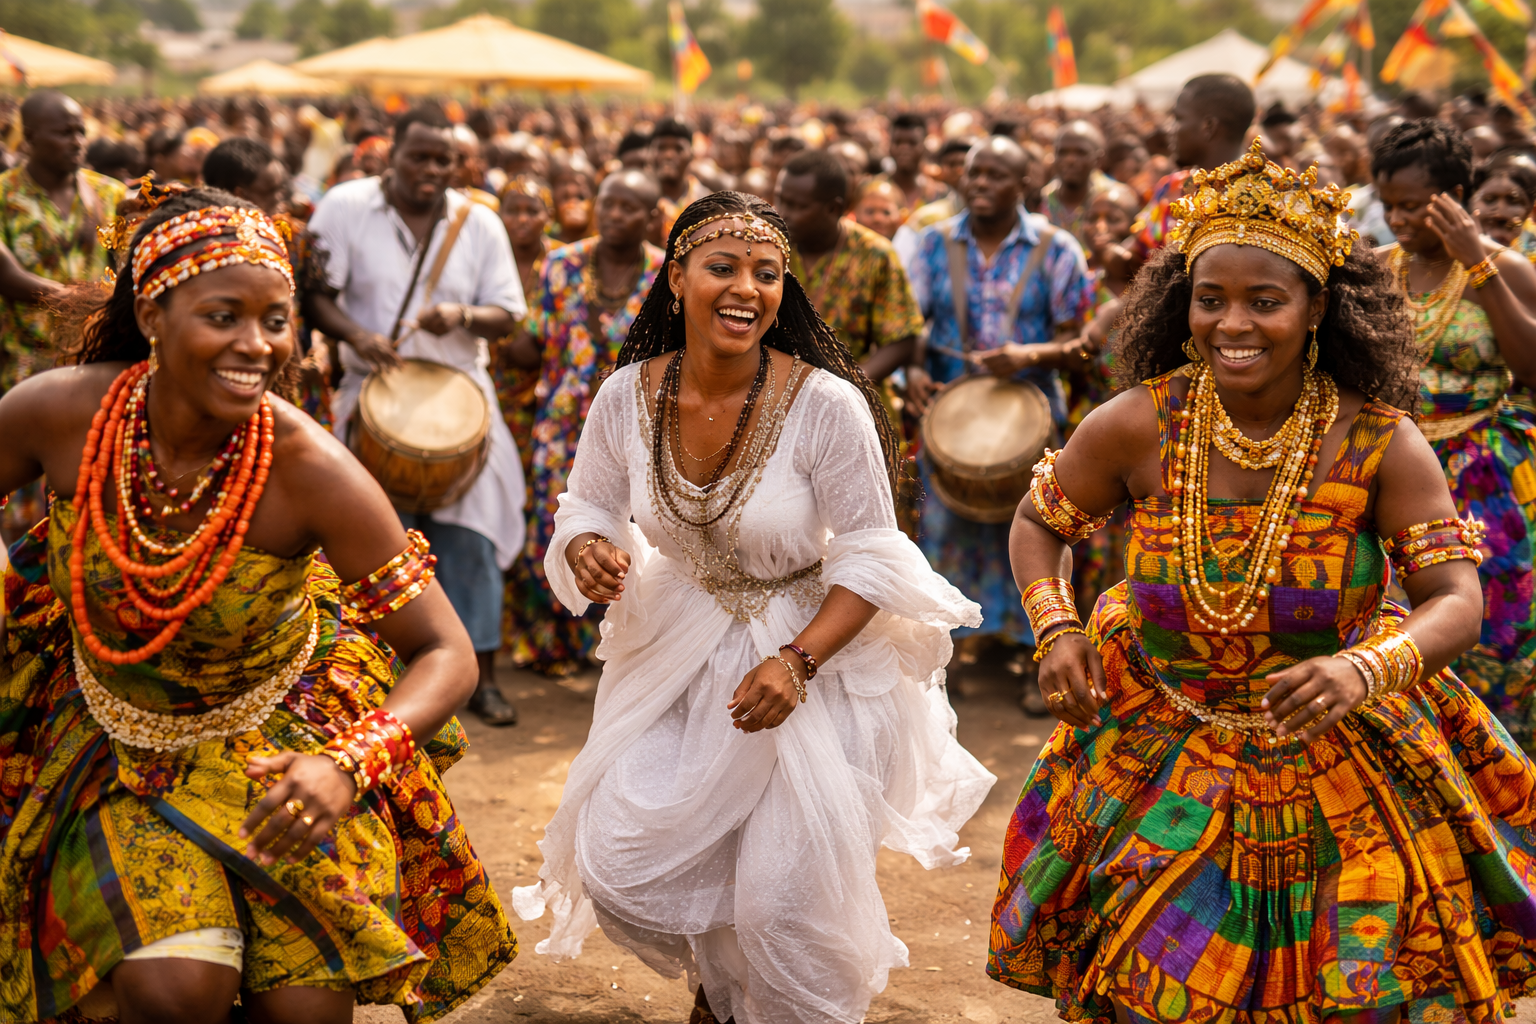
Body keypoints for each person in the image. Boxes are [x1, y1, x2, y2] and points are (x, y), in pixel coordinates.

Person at [988, 140, 1536, 1024]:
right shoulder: (1137, 423)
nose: (1231, 324)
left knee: (1361, 988)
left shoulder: (1381, 441)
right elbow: (1040, 521)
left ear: (1318, 308)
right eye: (1210, 299)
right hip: (1161, 741)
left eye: (1265, 302)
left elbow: (1455, 600)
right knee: (1152, 986)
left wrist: (1364, 668)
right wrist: (1056, 629)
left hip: (1345, 745)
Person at [0, 187, 517, 1023]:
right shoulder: (60, 414)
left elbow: (447, 652)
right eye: (223, 316)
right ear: (153, 315)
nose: (257, 344)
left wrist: (345, 765)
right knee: (177, 994)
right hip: (117, 747)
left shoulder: (310, 470)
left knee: (304, 1015)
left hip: (281, 756)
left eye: (276, 320)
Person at [510, 190, 995, 1024]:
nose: (747, 289)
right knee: (622, 859)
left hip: (817, 659)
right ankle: (726, 991)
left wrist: (798, 661)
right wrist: (589, 545)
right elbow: (588, 504)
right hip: (678, 644)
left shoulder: (827, 404)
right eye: (723, 267)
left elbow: (873, 554)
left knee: (780, 900)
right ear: (676, 279)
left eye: (767, 274)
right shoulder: (625, 395)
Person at [308, 104, 528, 727]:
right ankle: (372, 677)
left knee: (472, 542)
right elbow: (316, 296)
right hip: (371, 394)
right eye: (419, 156)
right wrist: (358, 335)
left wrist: (462, 315)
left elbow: (508, 314)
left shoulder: (478, 222)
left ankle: (480, 678)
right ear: (392, 153)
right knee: (375, 546)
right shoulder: (344, 207)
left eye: (444, 160)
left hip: (462, 399)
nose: (431, 169)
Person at [1374, 120, 1536, 750]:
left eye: (1412, 206)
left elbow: (1530, 367)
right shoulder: (1375, 272)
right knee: (1393, 621)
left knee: (1494, 627)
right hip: (1392, 468)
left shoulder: (1507, 268)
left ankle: (1500, 762)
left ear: (1457, 196)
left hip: (1484, 474)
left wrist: (1478, 264)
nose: (1397, 220)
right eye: (1388, 205)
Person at [905, 136, 1095, 664]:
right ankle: (947, 647)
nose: (981, 184)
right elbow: (914, 325)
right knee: (944, 533)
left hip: (1030, 417)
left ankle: (1034, 648)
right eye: (975, 173)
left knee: (1035, 532)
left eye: (995, 175)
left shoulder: (1057, 248)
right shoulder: (934, 243)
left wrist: (1029, 355)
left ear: (1023, 184)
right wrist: (915, 368)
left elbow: (1080, 344)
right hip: (950, 414)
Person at [511, 168, 664, 677]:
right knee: (555, 522)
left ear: (651, 216)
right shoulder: (561, 265)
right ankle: (550, 643)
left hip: (637, 426)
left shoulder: (667, 274)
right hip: (563, 422)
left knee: (630, 527)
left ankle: (616, 641)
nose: (615, 215)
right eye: (608, 203)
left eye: (629, 207)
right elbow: (534, 337)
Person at [0, 90, 127, 392]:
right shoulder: (5, 196)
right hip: (26, 365)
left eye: (81, 131)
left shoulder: (110, 194)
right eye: (64, 133)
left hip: (96, 361)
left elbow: (128, 265)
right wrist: (81, 299)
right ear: (30, 137)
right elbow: (5, 273)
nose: (78, 141)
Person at [774, 149, 922, 380]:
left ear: (833, 209)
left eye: (798, 206)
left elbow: (902, 337)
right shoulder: (769, 246)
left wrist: (852, 384)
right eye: (780, 200)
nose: (783, 213)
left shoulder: (874, 254)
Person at [1123, 74, 1256, 267]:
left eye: (1178, 119)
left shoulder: (1263, 197)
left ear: (1208, 126)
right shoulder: (1174, 185)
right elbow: (1137, 255)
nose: (1169, 129)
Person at [1038, 119, 1111, 246]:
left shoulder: (1113, 199)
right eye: (1062, 152)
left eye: (1080, 153)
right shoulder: (1041, 200)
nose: (1070, 160)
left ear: (1098, 159)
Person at [653, 118, 712, 243]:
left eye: (678, 149)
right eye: (661, 148)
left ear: (691, 154)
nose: (668, 155)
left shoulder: (706, 202)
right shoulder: (641, 201)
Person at [886, 111, 947, 211]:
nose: (904, 148)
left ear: (924, 147)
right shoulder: (875, 189)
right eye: (898, 142)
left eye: (912, 143)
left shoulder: (940, 194)